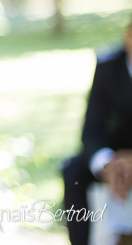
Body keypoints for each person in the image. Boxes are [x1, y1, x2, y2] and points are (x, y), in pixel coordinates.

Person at [63, 19, 132, 245]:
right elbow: (91, 130)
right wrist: (107, 164)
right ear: (127, 36)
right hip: (112, 154)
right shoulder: (107, 67)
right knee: (73, 170)